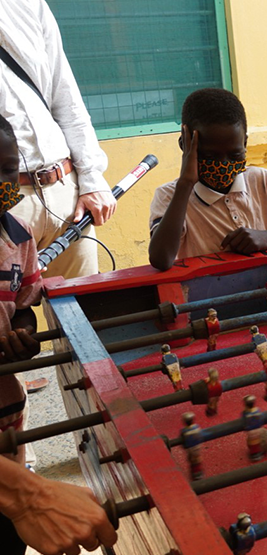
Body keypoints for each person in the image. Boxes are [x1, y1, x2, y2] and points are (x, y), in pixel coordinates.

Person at [0, 118, 116, 554]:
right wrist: (31, 497)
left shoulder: (17, 235)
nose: (1, 182)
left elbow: (25, 305)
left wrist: (23, 335)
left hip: (7, 416)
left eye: (8, 170)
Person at [0, 0, 116, 280]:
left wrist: (91, 178)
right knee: (7, 323)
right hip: (6, 205)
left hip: (65, 193)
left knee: (83, 315)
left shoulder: (26, 1)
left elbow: (66, 99)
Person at [148, 88, 267, 270]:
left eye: (235, 154)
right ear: (185, 146)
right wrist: (185, 183)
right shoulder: (170, 196)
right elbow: (161, 259)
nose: (224, 164)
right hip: (207, 298)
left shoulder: (260, 180)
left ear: (244, 143)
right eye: (211, 157)